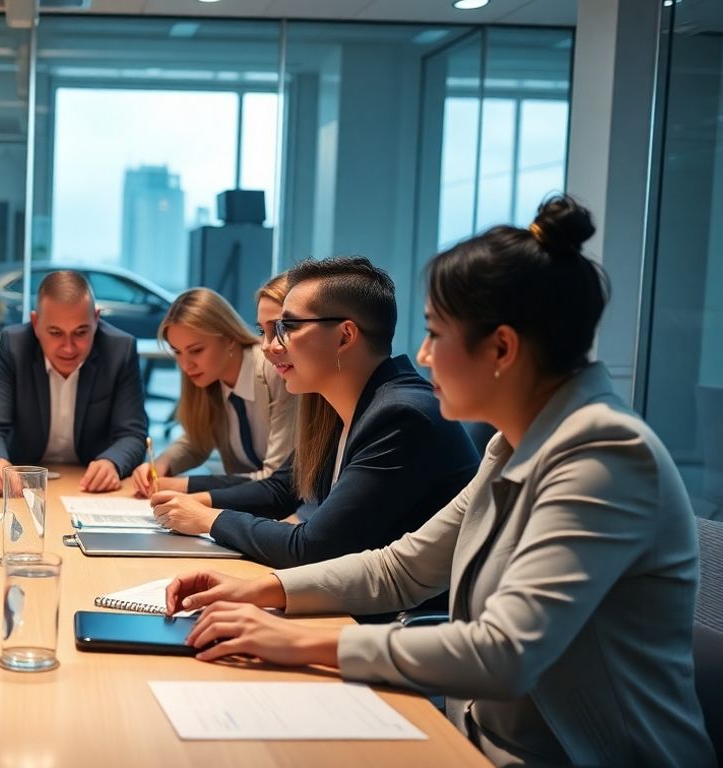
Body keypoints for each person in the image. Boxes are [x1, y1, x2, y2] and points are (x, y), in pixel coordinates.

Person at [165, 197, 716, 767]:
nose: (423, 355)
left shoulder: (604, 457)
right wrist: (261, 591)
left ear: (502, 348)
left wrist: (296, 639)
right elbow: (402, 567)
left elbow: (504, 653)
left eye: (436, 334)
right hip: (480, 738)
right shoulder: (512, 444)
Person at [150, 257, 478, 570]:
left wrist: (209, 519)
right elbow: (282, 489)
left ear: (345, 336)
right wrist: (195, 504)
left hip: (400, 620)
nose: (269, 346)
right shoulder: (338, 403)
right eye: (268, 330)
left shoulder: (401, 416)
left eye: (287, 327)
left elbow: (315, 547)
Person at [0, 270, 148, 494]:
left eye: (81, 332)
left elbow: (133, 435)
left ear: (96, 318)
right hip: (24, 486)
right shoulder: (15, 347)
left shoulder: (119, 351)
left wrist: (112, 462)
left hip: (89, 488)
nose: (68, 347)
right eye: (55, 332)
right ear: (35, 323)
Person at [132, 280, 297, 498]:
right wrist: (161, 465)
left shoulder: (275, 369)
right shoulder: (210, 379)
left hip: (292, 509)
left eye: (196, 350)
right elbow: (197, 441)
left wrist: (183, 486)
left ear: (229, 338)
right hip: (252, 509)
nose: (185, 364)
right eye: (178, 352)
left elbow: (275, 480)